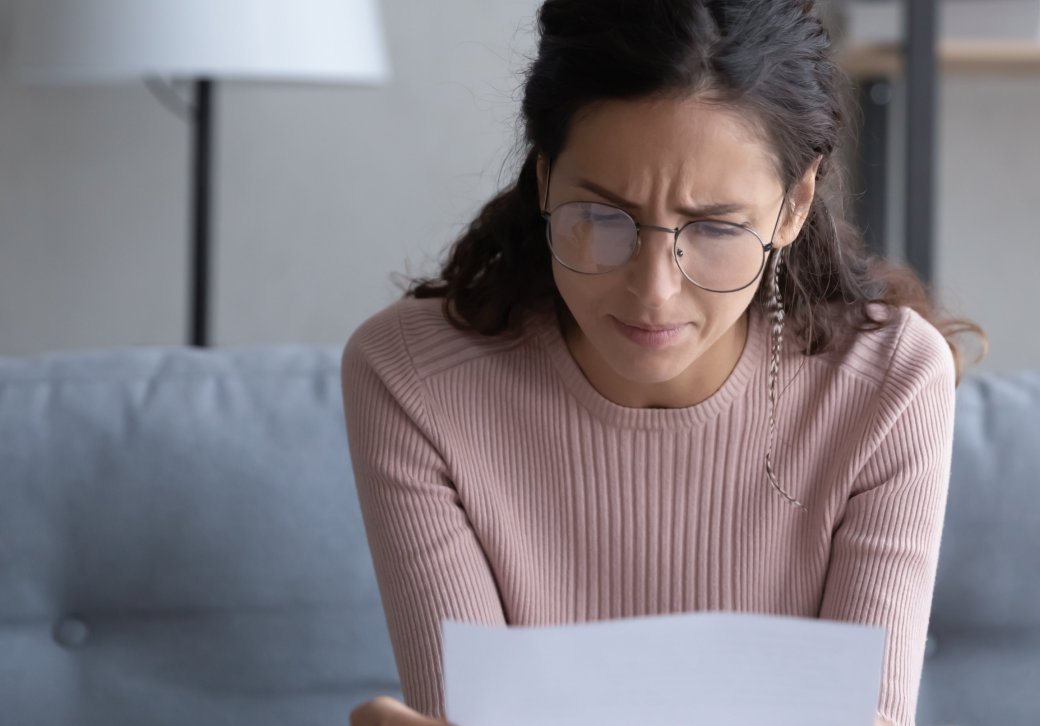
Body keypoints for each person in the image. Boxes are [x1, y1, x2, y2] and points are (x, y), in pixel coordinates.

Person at [342, 0, 986, 724]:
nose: (653, 291)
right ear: (546, 179)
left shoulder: (888, 383)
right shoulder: (412, 377)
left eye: (714, 226)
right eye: (602, 218)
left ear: (794, 204)